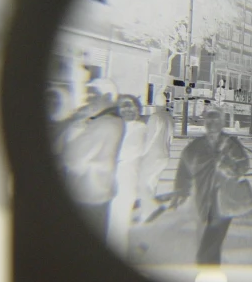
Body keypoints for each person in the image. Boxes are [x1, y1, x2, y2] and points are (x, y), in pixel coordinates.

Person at [173, 107, 250, 265]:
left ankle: (207, 270)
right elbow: (184, 169)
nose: (212, 123)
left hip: (224, 200)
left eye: (216, 120)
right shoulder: (195, 146)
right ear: (204, 123)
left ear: (222, 123)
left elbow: (243, 165)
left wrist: (227, 165)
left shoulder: (231, 143)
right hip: (201, 199)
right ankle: (208, 271)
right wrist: (181, 190)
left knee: (210, 244)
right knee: (202, 238)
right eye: (209, 120)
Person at [55, 78, 124, 240]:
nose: (88, 99)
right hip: (98, 191)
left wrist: (73, 123)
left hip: (88, 194)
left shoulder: (104, 124)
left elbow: (71, 158)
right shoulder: (112, 121)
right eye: (88, 95)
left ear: (107, 97)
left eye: (93, 95)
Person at [107, 94, 148, 256]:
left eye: (130, 105)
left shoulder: (139, 128)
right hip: (108, 180)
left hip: (125, 181)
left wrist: (108, 153)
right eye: (123, 106)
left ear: (137, 109)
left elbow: (132, 150)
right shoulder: (117, 125)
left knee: (118, 225)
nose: (127, 109)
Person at [138, 89, 174, 224]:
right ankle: (145, 214)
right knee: (152, 183)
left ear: (155, 103)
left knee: (142, 182)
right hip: (165, 155)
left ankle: (152, 207)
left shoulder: (155, 117)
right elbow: (171, 138)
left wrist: (142, 154)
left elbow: (150, 138)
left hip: (153, 155)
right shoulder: (169, 118)